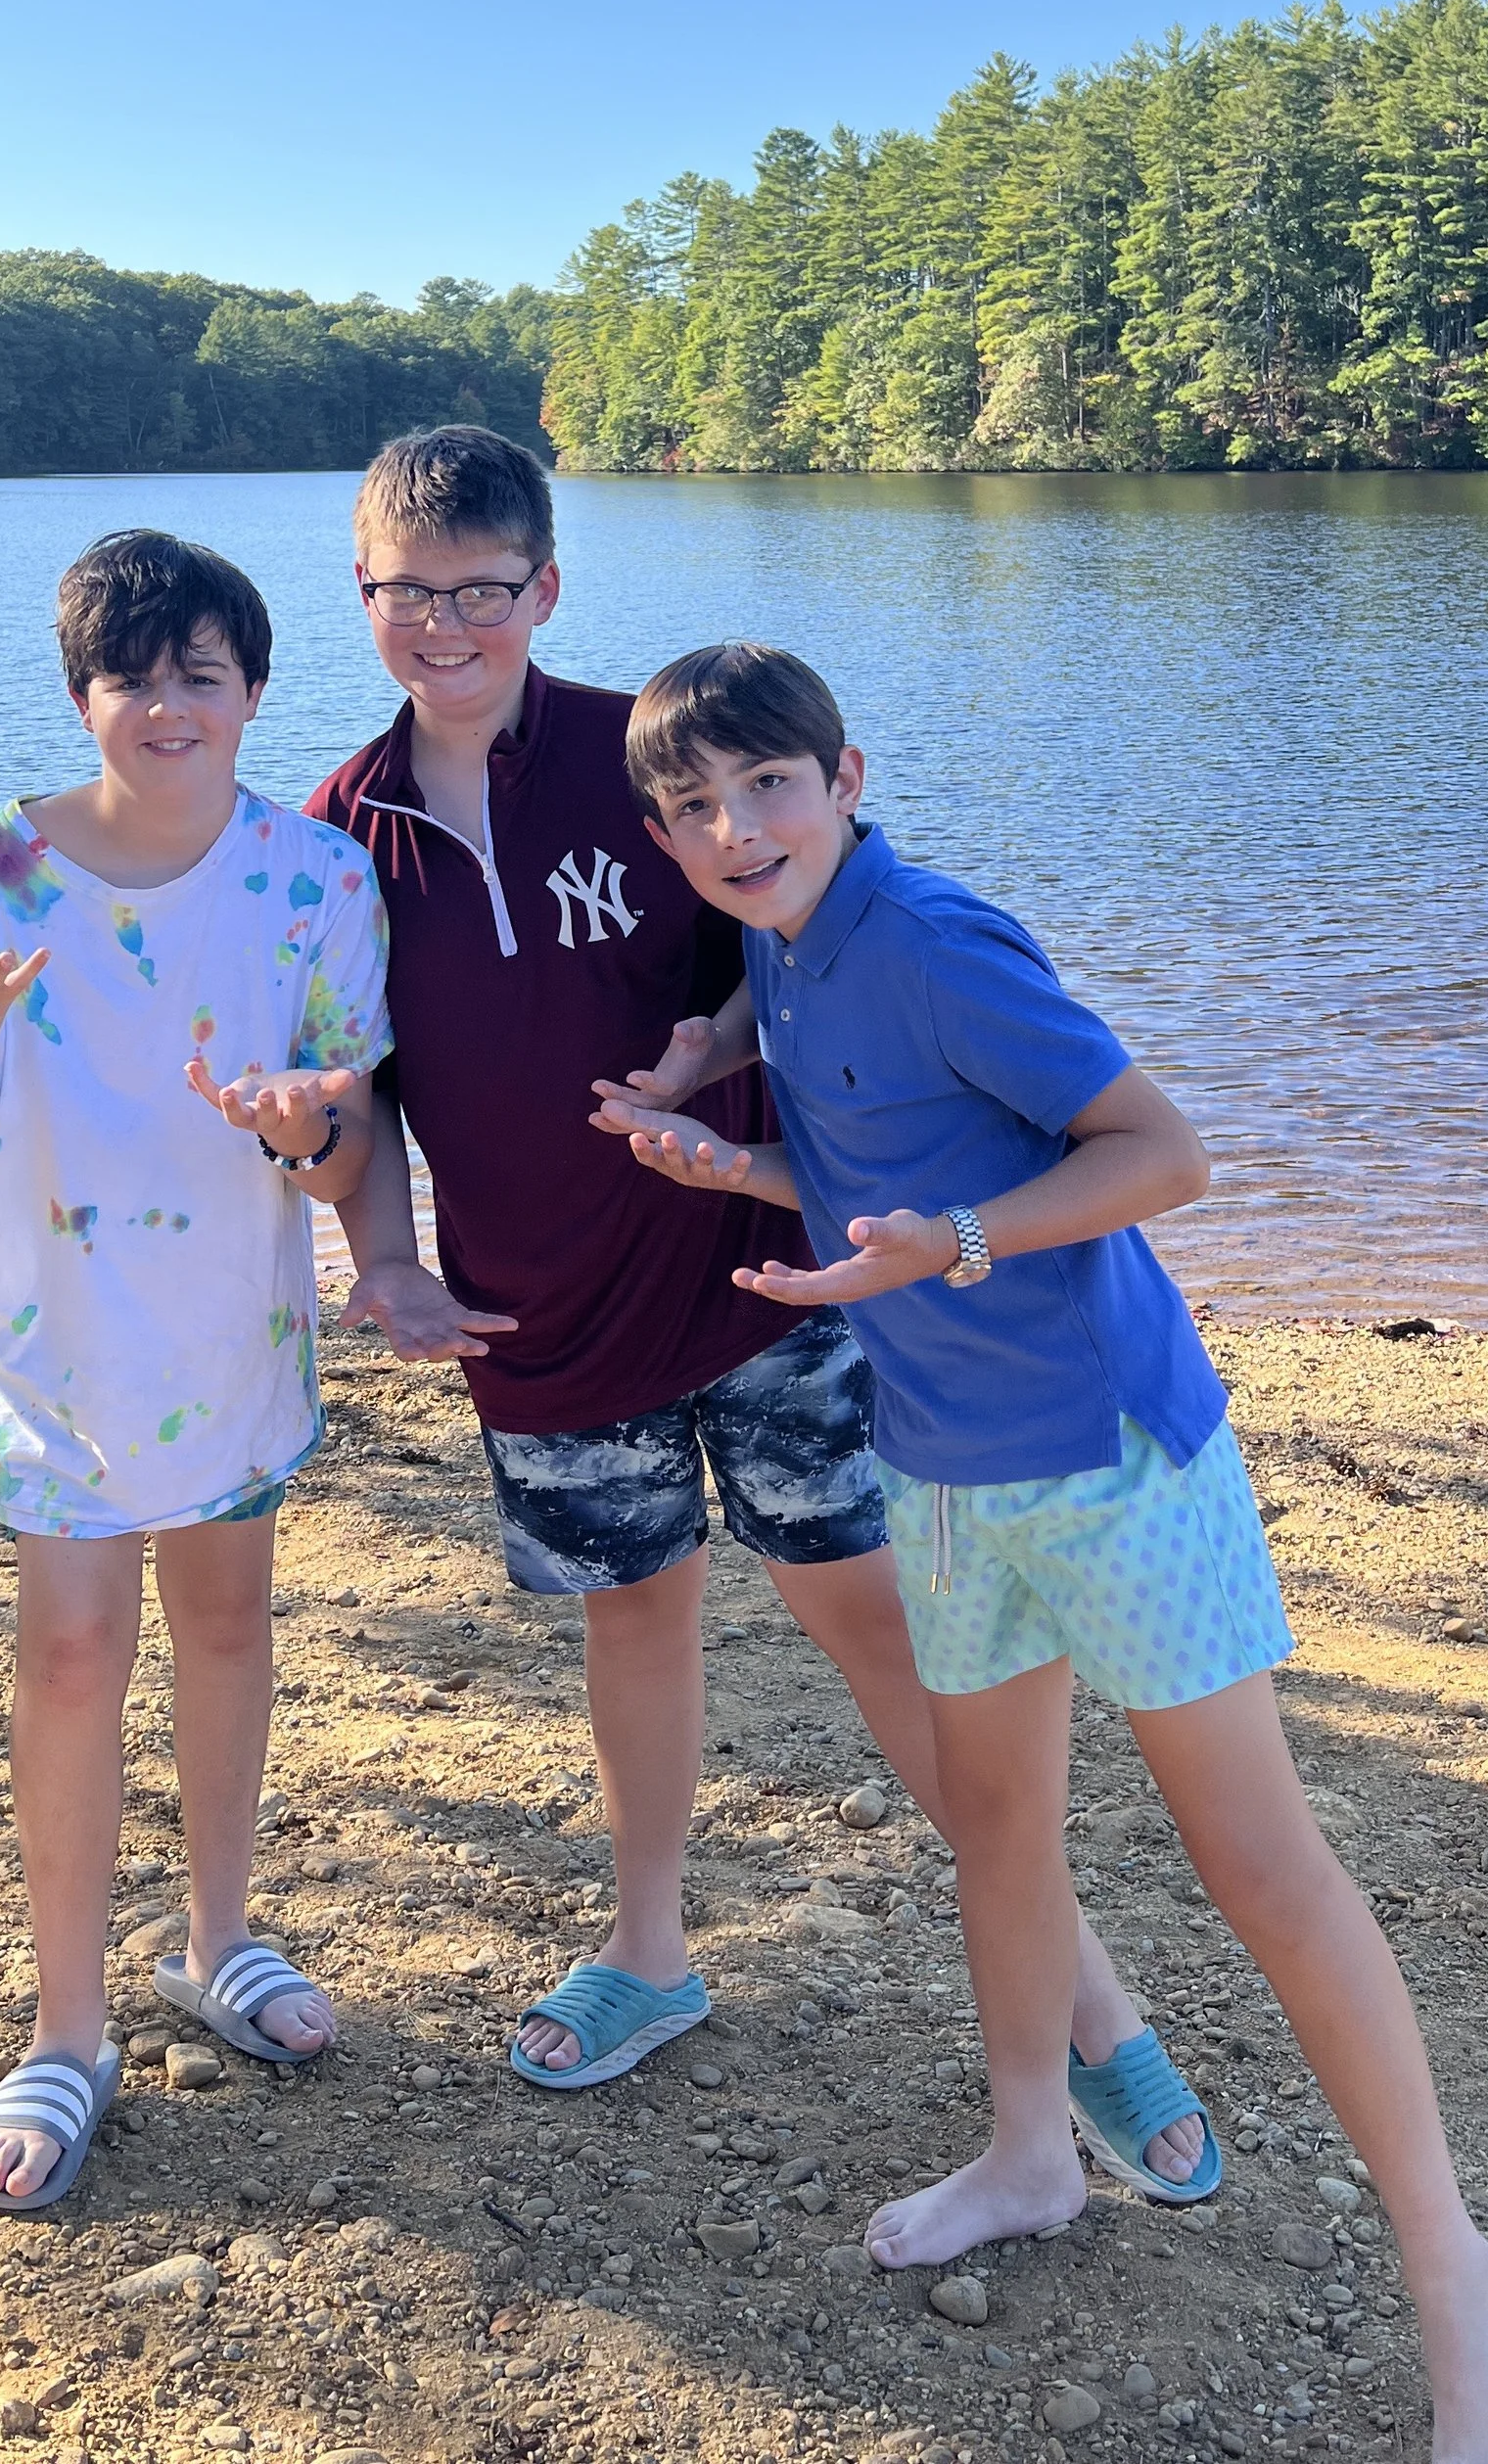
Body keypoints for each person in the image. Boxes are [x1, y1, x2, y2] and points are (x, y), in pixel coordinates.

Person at [597, 641, 1488, 2464]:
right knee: (999, 1830)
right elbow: (889, 1175)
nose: (735, 827)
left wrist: (943, 1241)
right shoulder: (779, 948)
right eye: (694, 807)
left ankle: (1452, 2273)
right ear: (665, 831)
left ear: (846, 776)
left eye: (766, 786)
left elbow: (1160, 1154)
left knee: (1257, 1860)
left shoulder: (937, 938)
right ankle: (1036, 2152)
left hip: (1110, 1456)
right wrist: (733, 1172)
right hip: (943, 1473)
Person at [310, 431, 1207, 2181]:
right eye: (408, 593)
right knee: (631, 1623)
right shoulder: (350, 830)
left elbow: (818, 937)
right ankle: (652, 1952)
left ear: (544, 590)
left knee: (884, 1630)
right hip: (539, 1323)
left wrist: (737, 1082)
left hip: (760, 1286)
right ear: (364, 599)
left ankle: (1093, 2008)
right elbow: (358, 1085)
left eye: (483, 589)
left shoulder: (648, 763)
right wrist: (385, 1251)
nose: (446, 625)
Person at [0, 528, 390, 2212]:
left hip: (229, 1329)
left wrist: (311, 1132)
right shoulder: (5, 864)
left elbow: (340, 1149)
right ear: (81, 693)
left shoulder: (315, 878)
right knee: (76, 1658)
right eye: (130, 677)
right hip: (61, 1344)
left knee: (231, 1621)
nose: (166, 705)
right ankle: (68, 2023)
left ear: (251, 691)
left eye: (201, 676)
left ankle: (218, 1939)